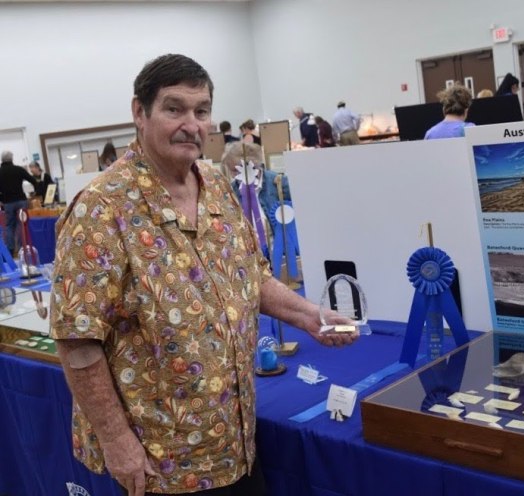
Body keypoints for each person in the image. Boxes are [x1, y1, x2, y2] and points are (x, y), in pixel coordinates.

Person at [49, 53, 356, 496]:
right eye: (174, 109)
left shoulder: (215, 187)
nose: (191, 125)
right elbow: (76, 337)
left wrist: (311, 316)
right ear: (140, 112)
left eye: (202, 111)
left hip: (234, 446)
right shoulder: (101, 209)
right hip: (161, 465)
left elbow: (251, 277)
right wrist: (116, 441)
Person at [222, 142, 292, 236]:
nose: (233, 175)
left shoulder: (279, 183)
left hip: (278, 243)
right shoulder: (231, 191)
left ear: (251, 166)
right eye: (232, 170)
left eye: (235, 170)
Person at [0, 150, 37, 256]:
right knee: (22, 224)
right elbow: (32, 180)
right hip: (21, 201)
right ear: (11, 159)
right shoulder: (18, 169)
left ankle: (11, 250)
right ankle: (22, 248)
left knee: (9, 226)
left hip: (8, 202)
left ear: (2, 159)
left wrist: (1, 199)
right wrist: (35, 192)